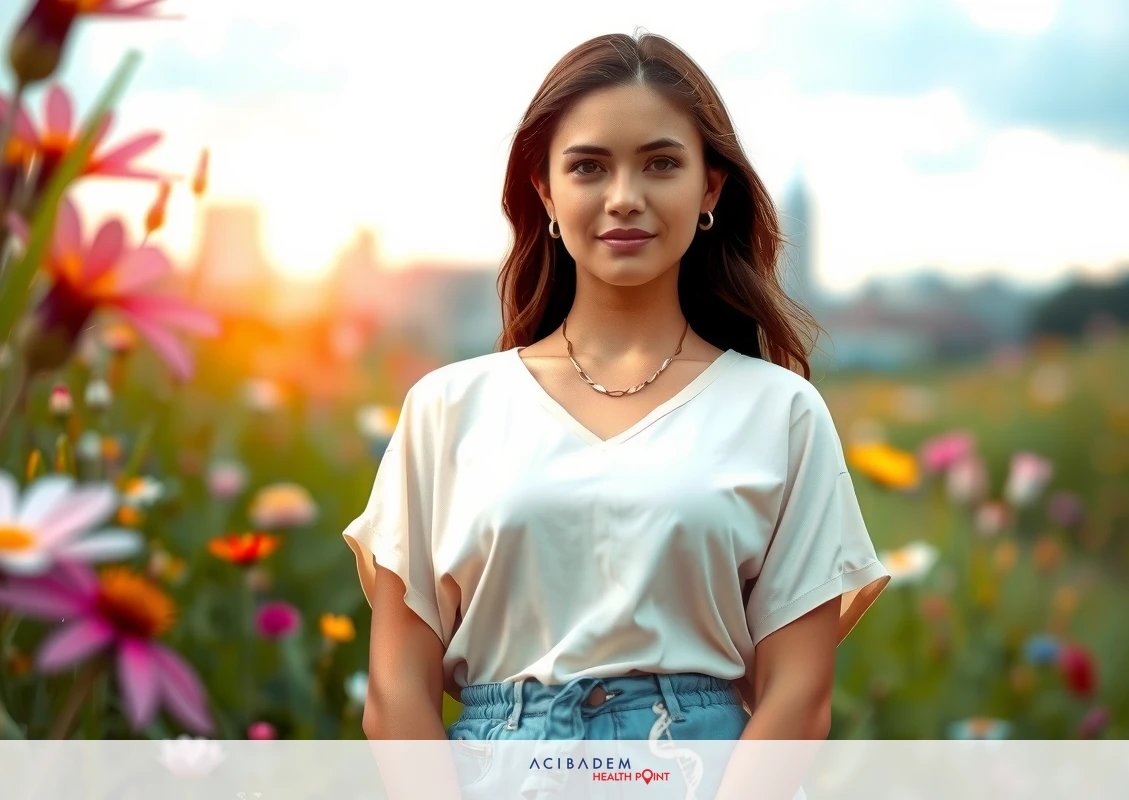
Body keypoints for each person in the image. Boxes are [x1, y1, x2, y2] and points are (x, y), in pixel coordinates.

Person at [342, 31, 891, 748]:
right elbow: (394, 696)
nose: (624, 198)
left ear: (710, 188)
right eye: (589, 167)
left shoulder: (781, 413)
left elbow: (798, 698)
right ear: (545, 189)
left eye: (661, 164)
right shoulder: (445, 409)